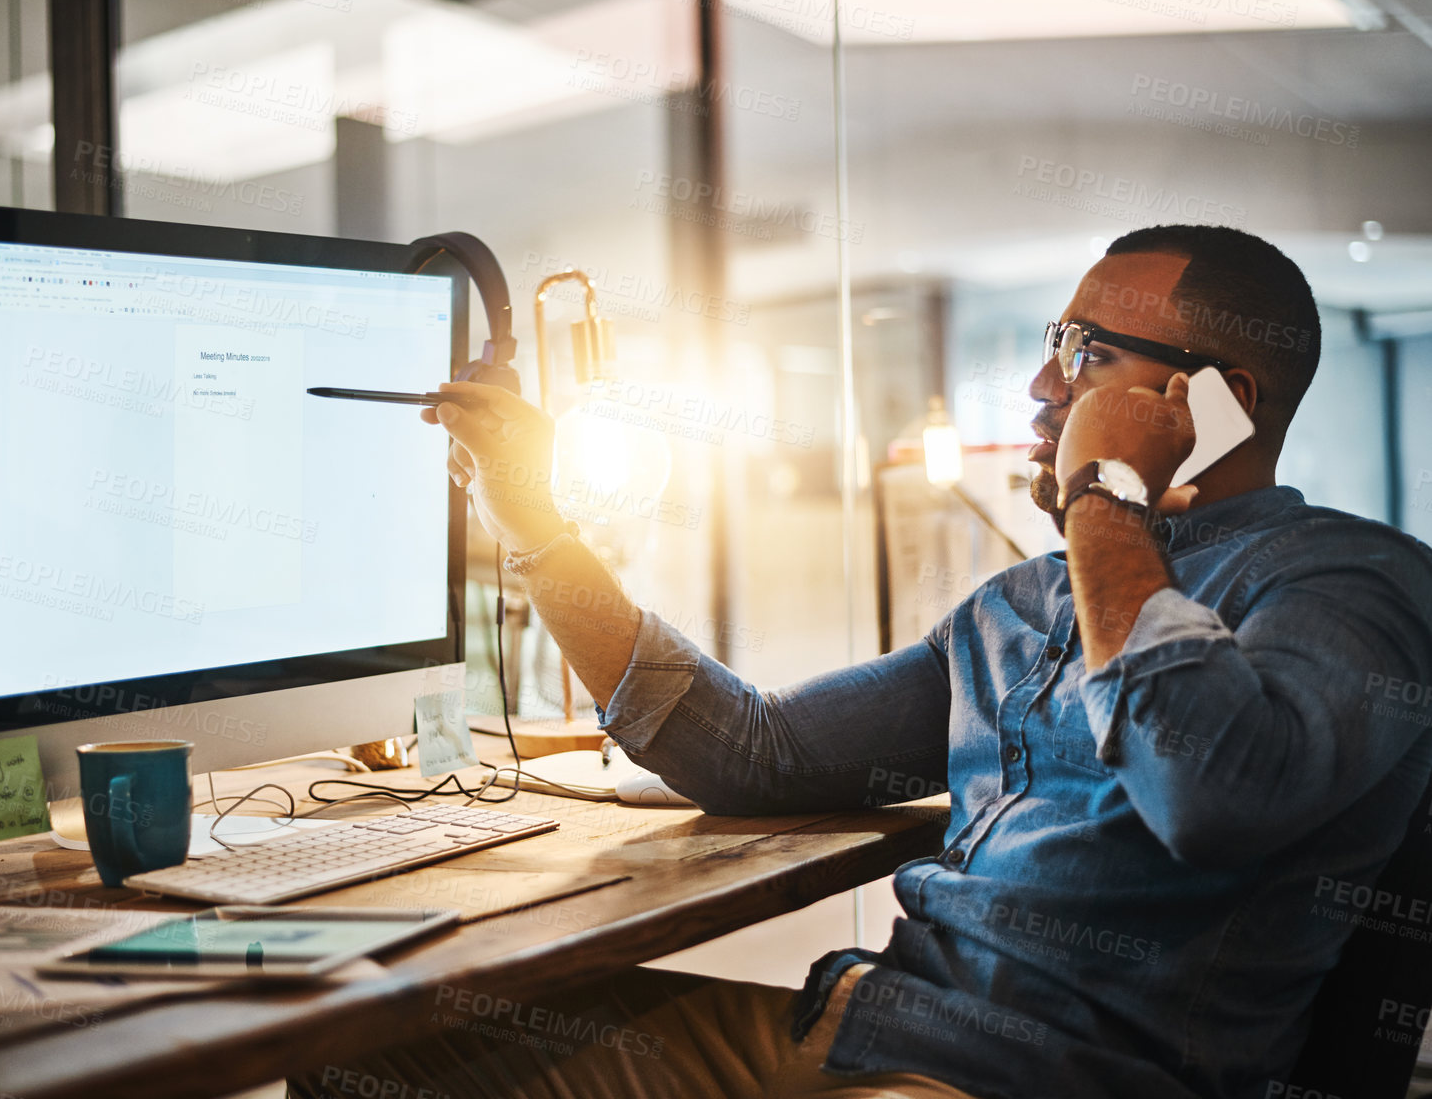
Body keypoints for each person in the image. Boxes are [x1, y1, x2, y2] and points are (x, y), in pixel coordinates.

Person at [297, 225, 1432, 1099]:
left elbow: (1210, 792)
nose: (1046, 388)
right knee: (376, 1055)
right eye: (1052, 345)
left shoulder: (1349, 583)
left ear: (1222, 401)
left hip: (1039, 1082)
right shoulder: (1017, 605)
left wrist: (1104, 495)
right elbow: (754, 753)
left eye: (1086, 355)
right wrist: (541, 530)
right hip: (864, 1031)